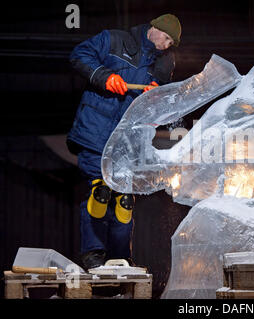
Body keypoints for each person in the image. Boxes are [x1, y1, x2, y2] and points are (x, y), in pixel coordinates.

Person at [66, 14, 181, 270]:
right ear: (154, 29)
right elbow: (79, 55)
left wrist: (156, 94)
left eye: (172, 42)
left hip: (128, 140)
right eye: (166, 37)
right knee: (100, 191)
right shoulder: (114, 40)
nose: (167, 44)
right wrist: (103, 76)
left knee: (124, 200)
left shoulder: (165, 61)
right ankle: (93, 254)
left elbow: (164, 93)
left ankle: (119, 259)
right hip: (96, 131)